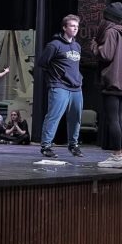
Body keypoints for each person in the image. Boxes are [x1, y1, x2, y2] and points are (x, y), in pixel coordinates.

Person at [90, 2, 122, 168]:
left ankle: (116, 156)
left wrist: (95, 46)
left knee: (113, 120)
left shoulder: (110, 32)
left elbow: (106, 55)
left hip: (112, 80)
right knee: (119, 120)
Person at [38, 14, 84, 159]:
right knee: (54, 116)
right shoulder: (54, 45)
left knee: (76, 118)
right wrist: (55, 77)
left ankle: (73, 145)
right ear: (64, 27)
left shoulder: (77, 46)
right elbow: (42, 63)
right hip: (59, 86)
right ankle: (46, 146)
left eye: (77, 26)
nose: (75, 28)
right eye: (72, 26)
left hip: (76, 87)